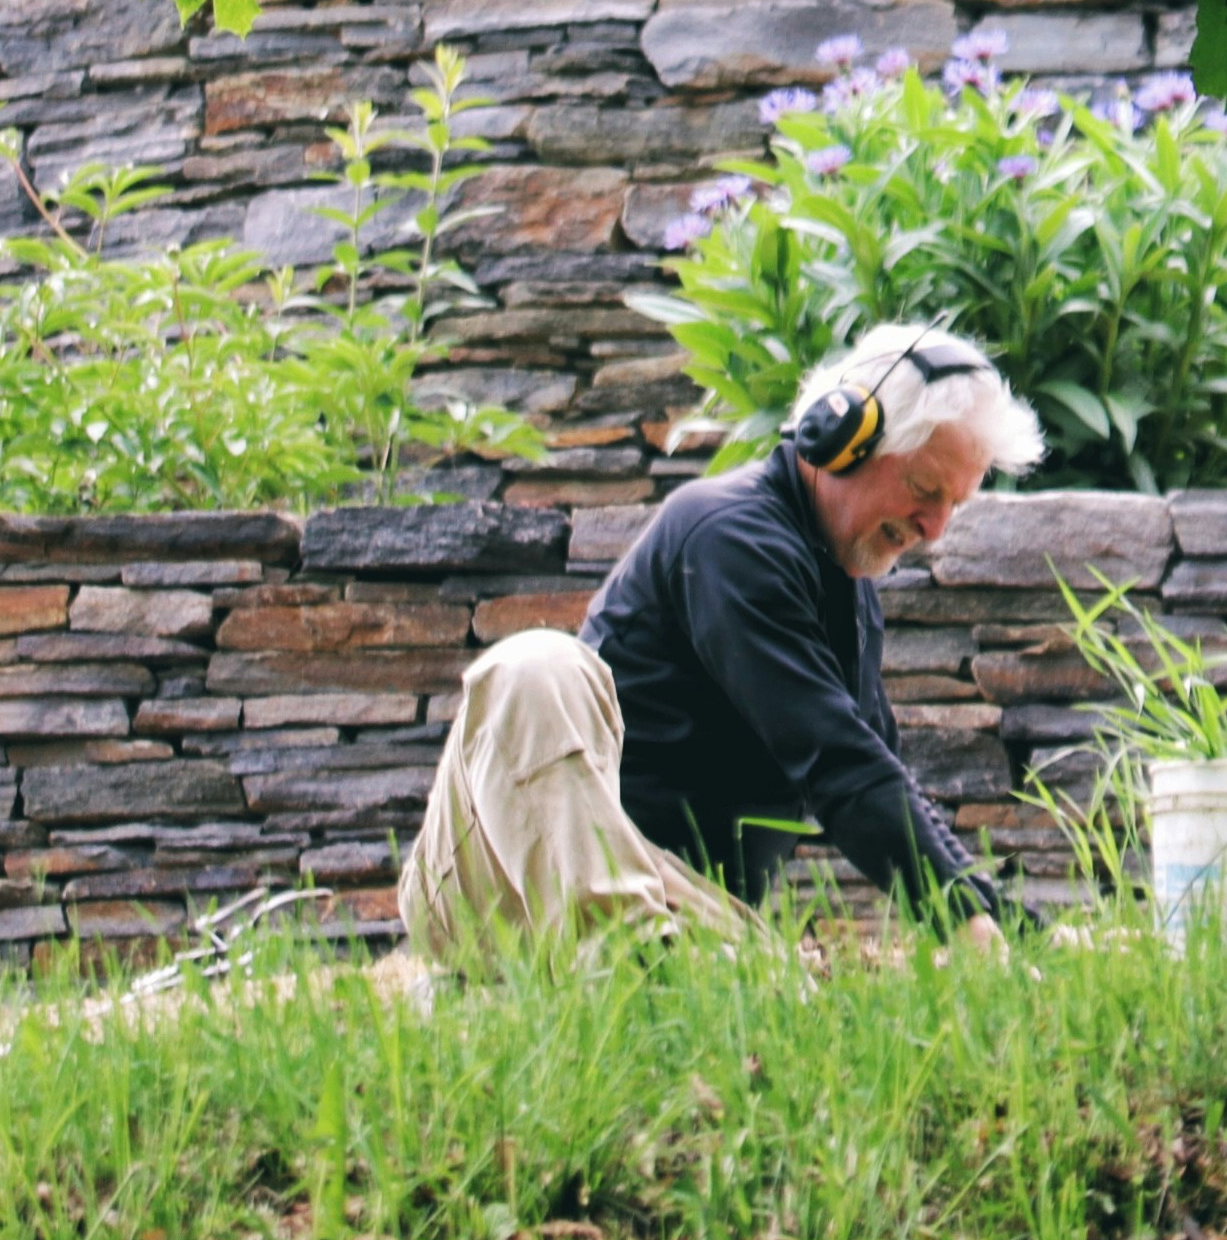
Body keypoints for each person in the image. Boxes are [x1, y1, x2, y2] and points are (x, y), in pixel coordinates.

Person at [396, 322, 1046, 963]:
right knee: (534, 667)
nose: (934, 527)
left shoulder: (847, 594)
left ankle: (649, 972)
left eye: (953, 505)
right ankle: (630, 965)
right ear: (842, 440)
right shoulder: (726, 536)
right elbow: (837, 764)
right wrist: (964, 918)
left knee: (753, 977)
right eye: (924, 490)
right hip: (508, 883)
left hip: (675, 912)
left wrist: (998, 918)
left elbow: (876, 777)